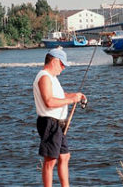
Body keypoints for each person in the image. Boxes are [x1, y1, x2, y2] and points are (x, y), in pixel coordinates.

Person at [33, 47, 86, 187]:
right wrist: (71, 100)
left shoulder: (52, 78)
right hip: (49, 123)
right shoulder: (44, 76)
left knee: (64, 156)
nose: (63, 68)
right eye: (62, 64)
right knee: (50, 161)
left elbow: (60, 96)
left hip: (58, 124)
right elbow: (49, 101)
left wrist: (76, 96)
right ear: (54, 61)